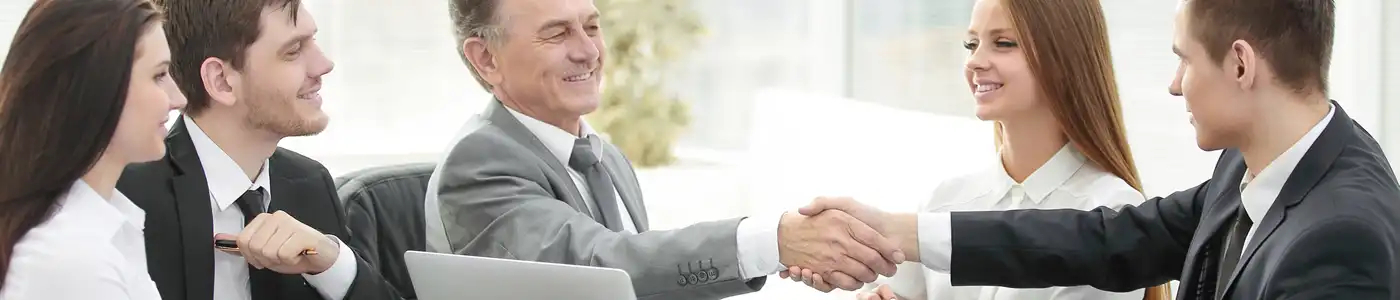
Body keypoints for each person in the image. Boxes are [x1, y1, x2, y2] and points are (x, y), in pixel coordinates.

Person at [790, 0, 1400, 299]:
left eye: (1182, 60)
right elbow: (1108, 240)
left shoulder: (1339, 238)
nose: (1172, 83)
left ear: (1240, 64)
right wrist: (896, 231)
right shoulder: (1253, 165)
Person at [423, 0, 904, 298]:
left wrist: (781, 256)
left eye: (591, 27)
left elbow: (647, 282)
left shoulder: (602, 156)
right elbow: (599, 269)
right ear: (486, 58)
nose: (589, 52)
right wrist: (772, 240)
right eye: (556, 33)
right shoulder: (479, 162)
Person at [783, 0, 1170, 299]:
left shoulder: (1113, 215)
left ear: (1064, 58)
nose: (975, 61)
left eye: (1003, 43)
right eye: (971, 43)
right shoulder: (944, 200)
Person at [115, 0, 402, 299]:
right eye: (293, 51)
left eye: (313, 41)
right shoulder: (128, 196)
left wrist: (332, 262)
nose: (323, 65)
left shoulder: (310, 184)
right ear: (222, 81)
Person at [0, 0, 185, 298]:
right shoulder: (73, 259)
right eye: (159, 75)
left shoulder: (104, 233)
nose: (177, 98)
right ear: (100, 86)